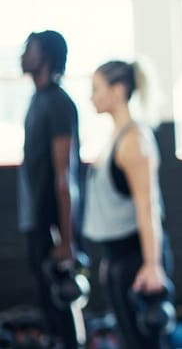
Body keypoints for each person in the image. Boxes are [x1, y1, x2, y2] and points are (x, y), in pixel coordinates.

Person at [83, 59, 173, 348]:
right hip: (119, 256)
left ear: (119, 90)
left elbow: (148, 208)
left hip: (138, 257)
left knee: (144, 342)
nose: (92, 97)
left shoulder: (134, 141)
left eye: (97, 89)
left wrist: (152, 265)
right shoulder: (115, 136)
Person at [18, 30, 85, 349]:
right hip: (36, 222)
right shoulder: (37, 101)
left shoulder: (58, 103)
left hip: (55, 230)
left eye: (28, 49)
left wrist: (68, 242)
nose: (22, 55)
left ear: (44, 56)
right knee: (49, 311)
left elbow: (65, 177)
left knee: (63, 310)